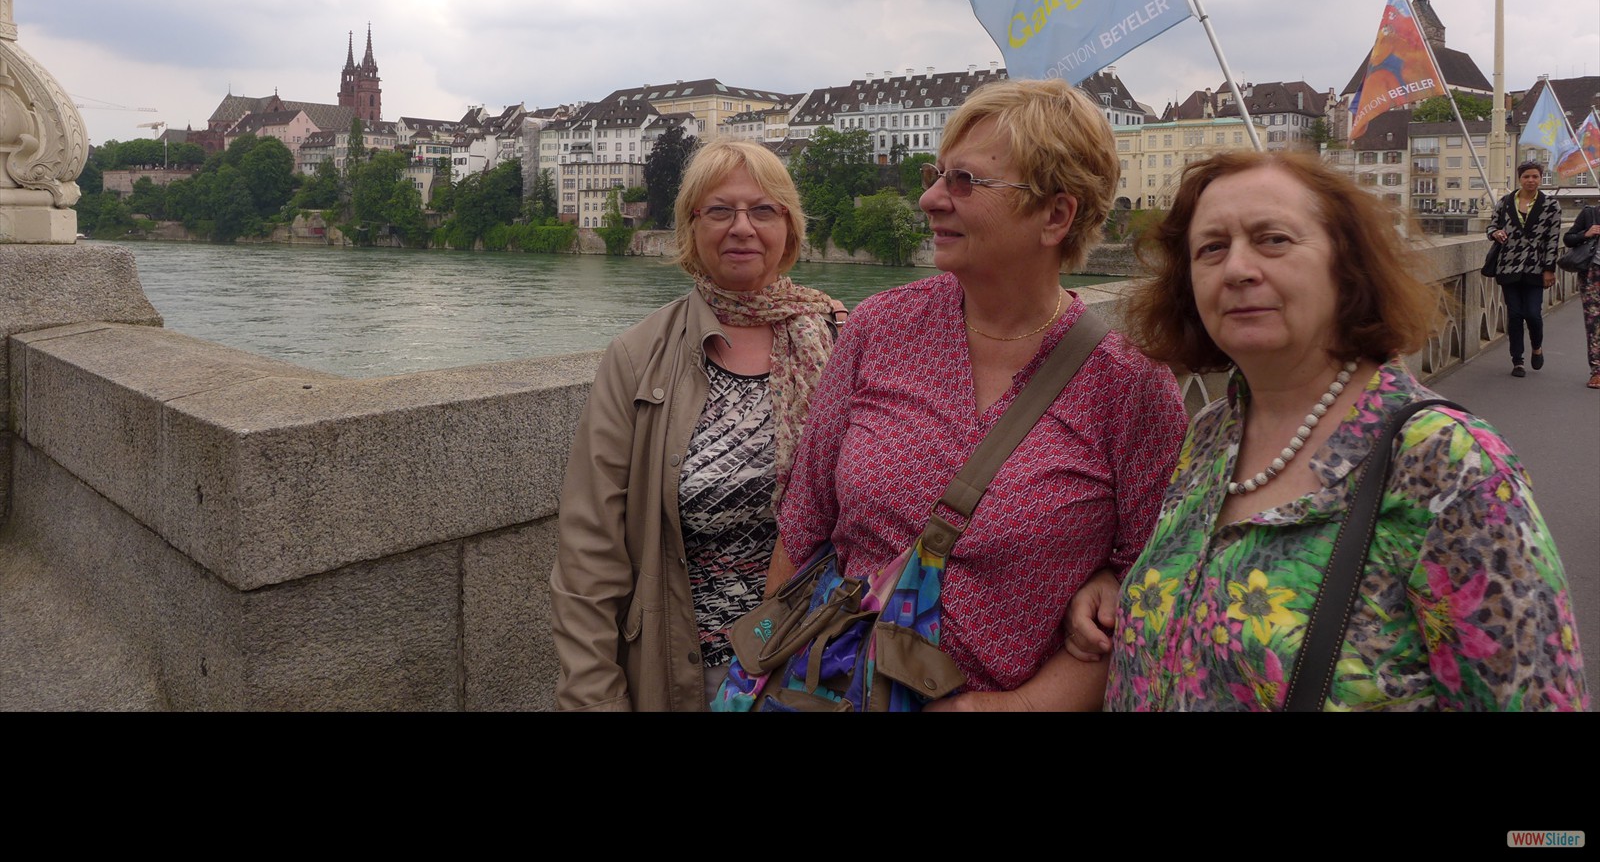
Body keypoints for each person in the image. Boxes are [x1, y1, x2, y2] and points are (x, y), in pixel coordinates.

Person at [1070, 150, 1586, 711]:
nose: (1238, 269)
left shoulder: (1451, 466)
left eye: (1273, 239)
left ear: (1347, 265)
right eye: (1212, 248)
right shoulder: (1211, 433)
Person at [769, 78, 1187, 711]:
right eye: (938, 174)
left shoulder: (1129, 386)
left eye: (964, 182)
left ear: (1056, 214)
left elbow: (1147, 597)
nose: (930, 197)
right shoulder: (879, 329)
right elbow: (802, 529)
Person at [550, 140, 841, 711]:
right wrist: (594, 700)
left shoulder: (841, 338)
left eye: (763, 210)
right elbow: (589, 553)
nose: (742, 228)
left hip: (827, 662)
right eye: (719, 211)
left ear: (789, 227)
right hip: (693, 674)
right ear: (690, 226)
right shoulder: (638, 357)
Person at [1488, 160, 1562, 377]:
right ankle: (1517, 360)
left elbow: (1552, 239)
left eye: (1535, 177)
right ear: (1519, 178)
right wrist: (1495, 232)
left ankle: (1537, 347)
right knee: (1515, 314)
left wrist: (1549, 268)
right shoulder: (1505, 202)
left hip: (1535, 267)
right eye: (1526, 177)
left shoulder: (1550, 205)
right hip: (1508, 265)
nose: (1531, 180)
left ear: (1540, 178)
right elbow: (1492, 225)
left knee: (1532, 313)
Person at [1565, 200, 1600, 389]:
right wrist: (1586, 233)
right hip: (1592, 274)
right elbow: (1568, 238)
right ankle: (1597, 371)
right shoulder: (1590, 214)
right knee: (1594, 322)